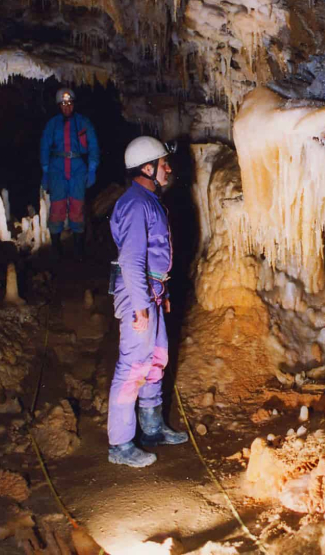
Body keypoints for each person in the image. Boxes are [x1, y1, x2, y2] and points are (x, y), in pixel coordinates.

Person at [107, 136, 187, 468]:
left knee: (156, 360)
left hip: (151, 294)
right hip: (135, 295)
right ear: (147, 167)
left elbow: (154, 259)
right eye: (163, 163)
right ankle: (121, 444)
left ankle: (152, 428)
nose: (169, 169)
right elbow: (131, 260)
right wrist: (140, 305)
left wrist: (160, 297)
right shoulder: (136, 204)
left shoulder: (149, 200)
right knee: (132, 367)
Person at [40, 87, 99, 258]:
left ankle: (78, 250)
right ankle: (56, 249)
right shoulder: (53, 124)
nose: (67, 107)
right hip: (57, 168)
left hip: (78, 168)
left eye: (70, 103)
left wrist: (92, 168)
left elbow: (93, 145)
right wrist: (45, 171)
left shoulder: (83, 122)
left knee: (77, 207)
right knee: (57, 208)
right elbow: (44, 146)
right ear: (59, 105)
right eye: (64, 104)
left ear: (73, 104)